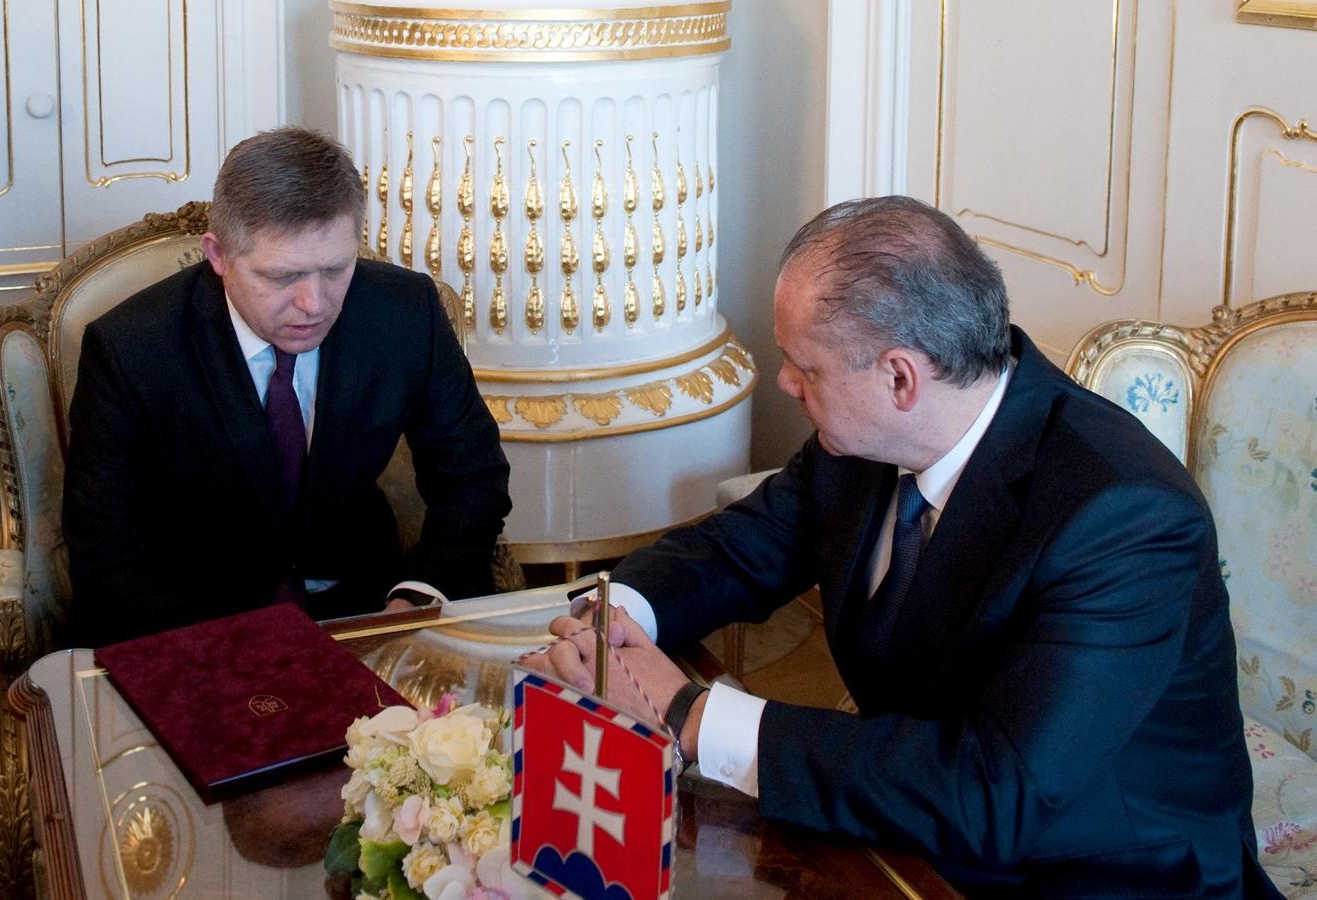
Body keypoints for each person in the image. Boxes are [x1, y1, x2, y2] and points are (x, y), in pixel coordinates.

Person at [539, 196, 1276, 897]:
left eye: (806, 367)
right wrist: (614, 616)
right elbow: (737, 548)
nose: (786, 384)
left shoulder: (1125, 516)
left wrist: (691, 715)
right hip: (915, 817)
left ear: (899, 377)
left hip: (1088, 874)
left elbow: (996, 793)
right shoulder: (865, 439)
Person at [64, 127, 511, 646]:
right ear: (218, 255)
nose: (314, 304)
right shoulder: (130, 348)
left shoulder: (406, 312)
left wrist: (416, 595)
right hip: (192, 623)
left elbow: (473, 477)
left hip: (368, 603)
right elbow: (105, 548)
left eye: (335, 269)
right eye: (282, 277)